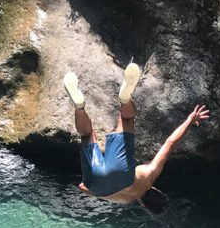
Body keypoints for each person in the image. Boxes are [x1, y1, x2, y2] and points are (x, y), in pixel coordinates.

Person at [63, 62, 210, 211]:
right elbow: (82, 187)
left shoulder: (149, 176)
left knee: (126, 119)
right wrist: (98, 191)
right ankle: (79, 107)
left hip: (124, 176)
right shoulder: (125, 200)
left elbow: (170, 143)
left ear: (156, 190)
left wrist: (190, 121)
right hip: (99, 186)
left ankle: (125, 99)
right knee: (86, 135)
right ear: (143, 204)